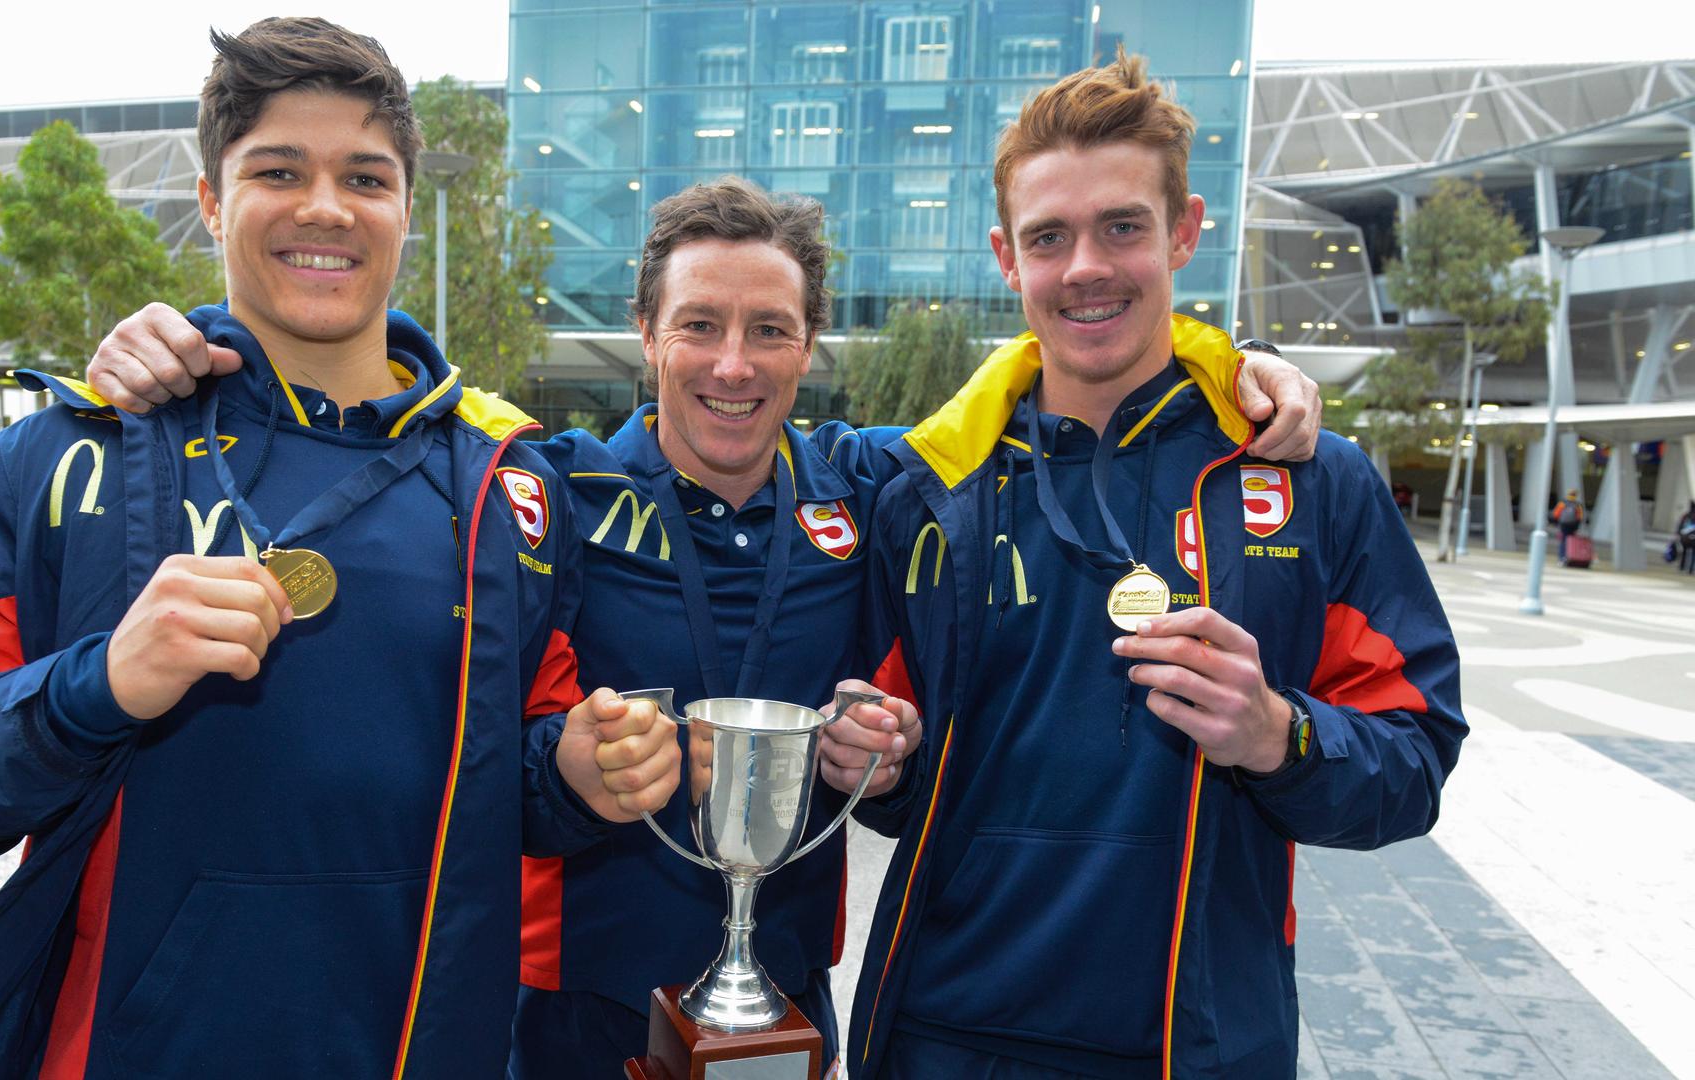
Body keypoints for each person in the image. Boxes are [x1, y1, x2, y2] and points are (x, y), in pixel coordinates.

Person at [86, 192, 1322, 1080]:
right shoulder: (543, 489)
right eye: (701, 325)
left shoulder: (868, 487)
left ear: (811, 346)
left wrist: (1236, 368)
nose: (735, 365)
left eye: (772, 330)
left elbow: (1040, 385)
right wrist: (185, 348)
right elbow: (380, 420)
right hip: (574, 1004)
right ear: (646, 332)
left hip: (784, 1001)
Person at [0, 19, 678, 1079]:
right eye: (278, 169)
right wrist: (91, 687)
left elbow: (509, 778)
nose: (324, 207)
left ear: (406, 210)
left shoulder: (508, 488)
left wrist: (576, 773)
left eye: (365, 178)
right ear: (211, 199)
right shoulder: (63, 457)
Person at [846, 51, 1465, 1079]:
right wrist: (872, 758)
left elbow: (1416, 759)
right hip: (947, 1036)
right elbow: (898, 780)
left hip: (1200, 1043)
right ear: (1008, 258)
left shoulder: (1308, 478)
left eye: (1122, 226)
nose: (1086, 265)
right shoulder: (928, 491)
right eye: (1050, 237)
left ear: (1184, 231)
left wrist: (1279, 734)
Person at [1551, 488, 1587, 565]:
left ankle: (1561, 558)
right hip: (1573, 525)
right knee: (1571, 542)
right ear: (1576, 495)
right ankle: (1569, 557)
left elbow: (1555, 514)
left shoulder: (1562, 503)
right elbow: (1580, 517)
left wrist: (1557, 523)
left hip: (1563, 525)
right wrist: (1576, 526)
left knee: (1563, 541)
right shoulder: (1577, 505)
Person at [1677, 500, 1695, 574]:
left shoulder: (1685, 515)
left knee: (1684, 552)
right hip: (1693, 538)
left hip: (1685, 538)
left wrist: (1679, 534)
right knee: (1693, 554)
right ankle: (1691, 569)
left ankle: (1682, 567)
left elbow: (1680, 526)